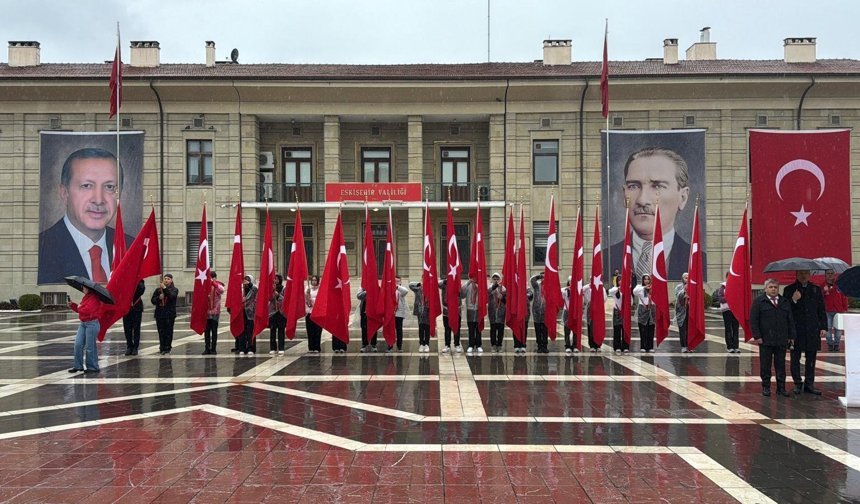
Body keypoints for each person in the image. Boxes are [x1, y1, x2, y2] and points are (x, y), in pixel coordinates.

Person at [608, 147, 705, 281]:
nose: (642, 200)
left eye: (657, 186)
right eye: (633, 186)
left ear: (683, 197)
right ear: (625, 194)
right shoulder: (605, 258)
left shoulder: (699, 260)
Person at [38, 148, 131, 284]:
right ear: (64, 193)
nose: (98, 200)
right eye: (87, 185)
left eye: (109, 187)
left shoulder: (132, 247)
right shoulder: (42, 248)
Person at [783, 269, 827, 395]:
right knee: (795, 357)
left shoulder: (815, 289)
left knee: (811, 358)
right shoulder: (789, 289)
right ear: (796, 274)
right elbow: (785, 309)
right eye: (801, 273)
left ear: (809, 275)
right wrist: (794, 300)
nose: (803, 276)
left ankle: (809, 383)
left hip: (812, 328)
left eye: (806, 273)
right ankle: (797, 383)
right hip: (796, 329)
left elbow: (821, 309)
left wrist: (823, 327)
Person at [750, 278, 795, 397]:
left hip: (781, 339)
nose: (773, 289)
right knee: (765, 365)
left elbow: (790, 319)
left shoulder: (784, 301)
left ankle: (781, 388)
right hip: (765, 339)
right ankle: (766, 387)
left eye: (775, 287)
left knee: (780, 365)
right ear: (765, 289)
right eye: (771, 287)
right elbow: (754, 320)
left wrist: (791, 336)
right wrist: (757, 336)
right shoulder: (759, 302)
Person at [68, 286, 105, 374]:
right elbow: (81, 309)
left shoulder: (94, 298)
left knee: (90, 346)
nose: (82, 289)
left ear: (89, 289)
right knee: (78, 344)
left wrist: (79, 307)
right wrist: (73, 305)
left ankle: (93, 367)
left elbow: (88, 310)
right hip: (83, 323)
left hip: (92, 324)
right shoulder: (86, 297)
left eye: (84, 288)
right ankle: (78, 366)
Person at [151, 274, 178, 355]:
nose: (166, 280)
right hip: (160, 314)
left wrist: (165, 288)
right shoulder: (158, 290)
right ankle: (162, 347)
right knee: (161, 331)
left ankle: (167, 347)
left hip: (169, 314)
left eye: (168, 279)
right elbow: (152, 300)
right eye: (165, 278)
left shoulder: (174, 289)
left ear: (171, 280)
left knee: (168, 332)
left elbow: (171, 296)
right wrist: (158, 298)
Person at [822, 269, 849, 352]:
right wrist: (824, 291)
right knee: (828, 328)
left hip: (839, 310)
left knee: (838, 329)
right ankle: (830, 344)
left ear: (834, 274)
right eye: (828, 273)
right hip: (827, 310)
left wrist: (845, 307)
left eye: (831, 273)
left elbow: (844, 296)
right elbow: (819, 298)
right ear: (825, 275)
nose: (830, 275)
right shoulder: (822, 285)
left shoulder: (839, 285)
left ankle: (836, 344)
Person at [439, 279, 465, 353]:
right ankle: (447, 345)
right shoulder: (444, 285)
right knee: (447, 329)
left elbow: (463, 295)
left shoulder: (459, 284)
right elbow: (438, 284)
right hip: (446, 311)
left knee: (457, 328)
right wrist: (445, 281)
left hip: (457, 311)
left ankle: (457, 345)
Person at [716, 275, 740, 354]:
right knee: (728, 328)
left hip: (736, 309)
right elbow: (720, 298)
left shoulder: (737, 286)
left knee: (735, 328)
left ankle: (736, 346)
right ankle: (730, 346)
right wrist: (729, 297)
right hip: (726, 310)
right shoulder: (723, 287)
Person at [204, 271, 225, 355]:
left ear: (215, 278)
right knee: (207, 331)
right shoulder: (205, 286)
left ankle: (213, 348)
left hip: (215, 312)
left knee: (214, 331)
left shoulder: (217, 285)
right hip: (206, 312)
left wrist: (213, 282)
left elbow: (222, 290)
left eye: (212, 277)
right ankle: (207, 348)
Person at [122, 280, 145, 356]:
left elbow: (141, 290)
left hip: (136, 308)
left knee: (136, 328)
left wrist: (134, 281)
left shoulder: (140, 280)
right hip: (126, 309)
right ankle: (129, 346)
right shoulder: (124, 280)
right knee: (127, 329)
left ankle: (135, 347)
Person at [633, 274, 656, 352]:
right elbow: (634, 292)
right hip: (643, 310)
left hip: (651, 309)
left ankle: (650, 346)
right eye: (645, 279)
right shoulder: (639, 287)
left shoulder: (653, 287)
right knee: (643, 329)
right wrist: (644, 287)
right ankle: (643, 346)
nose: (647, 281)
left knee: (651, 329)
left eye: (648, 279)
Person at [238, 274, 258, 356]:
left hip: (250, 313)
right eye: (245, 279)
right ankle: (242, 348)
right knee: (242, 331)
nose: (245, 281)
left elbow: (254, 290)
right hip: (241, 312)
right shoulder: (241, 289)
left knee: (250, 331)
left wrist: (249, 284)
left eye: (248, 280)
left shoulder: (253, 288)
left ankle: (251, 348)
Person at [409, 281, 431, 353]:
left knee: (427, 328)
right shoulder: (418, 289)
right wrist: (418, 283)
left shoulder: (430, 288)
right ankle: (421, 343)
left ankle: (427, 344)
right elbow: (410, 285)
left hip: (428, 310)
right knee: (421, 328)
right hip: (420, 310)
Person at [463, 276, 483, 354]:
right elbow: (462, 294)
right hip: (470, 309)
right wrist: (468, 282)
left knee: (478, 329)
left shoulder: (480, 284)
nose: (473, 278)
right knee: (471, 329)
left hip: (478, 309)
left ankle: (478, 345)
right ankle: (471, 345)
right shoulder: (467, 285)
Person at [530, 273, 549, 353]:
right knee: (538, 329)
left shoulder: (549, 286)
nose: (543, 278)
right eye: (542, 277)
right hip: (536, 311)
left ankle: (545, 345)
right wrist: (538, 276)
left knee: (545, 330)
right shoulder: (537, 286)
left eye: (545, 277)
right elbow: (532, 280)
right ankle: (539, 346)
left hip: (546, 311)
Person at [608, 283, 629, 353]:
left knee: (625, 329)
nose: (621, 282)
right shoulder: (615, 290)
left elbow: (631, 301)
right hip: (617, 311)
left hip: (625, 311)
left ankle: (625, 346)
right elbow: (609, 291)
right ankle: (617, 347)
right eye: (619, 280)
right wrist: (618, 288)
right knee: (617, 329)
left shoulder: (627, 290)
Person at [268, 274, 286, 355]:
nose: (276, 280)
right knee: (272, 330)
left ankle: (281, 348)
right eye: (274, 279)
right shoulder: (270, 288)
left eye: (277, 279)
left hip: (281, 312)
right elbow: (268, 298)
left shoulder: (284, 288)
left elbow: (285, 299)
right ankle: (273, 348)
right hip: (272, 312)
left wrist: (278, 295)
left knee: (281, 330)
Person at [488, 273, 506, 353]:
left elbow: (506, 300)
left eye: (497, 279)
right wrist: (495, 286)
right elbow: (488, 292)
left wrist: (502, 298)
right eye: (494, 279)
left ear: (500, 279)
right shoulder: (490, 287)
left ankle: (499, 345)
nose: (496, 280)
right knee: (493, 329)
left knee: (501, 329)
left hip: (501, 312)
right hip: (492, 311)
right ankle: (493, 345)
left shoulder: (503, 288)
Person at [357, 288, 378, 352]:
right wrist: (366, 291)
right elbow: (358, 296)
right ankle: (364, 344)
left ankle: (373, 344)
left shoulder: (375, 285)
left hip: (373, 309)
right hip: (364, 308)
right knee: (364, 327)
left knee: (374, 327)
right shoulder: (362, 287)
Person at [306, 275, 324, 353]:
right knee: (310, 331)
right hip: (309, 312)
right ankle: (311, 347)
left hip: (318, 313)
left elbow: (321, 300)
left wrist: (313, 300)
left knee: (317, 331)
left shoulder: (320, 290)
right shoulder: (307, 289)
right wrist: (307, 295)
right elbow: (306, 301)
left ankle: (317, 347)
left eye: (315, 280)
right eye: (312, 280)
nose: (313, 282)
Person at [561, 277, 578, 354]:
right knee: (567, 329)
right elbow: (559, 294)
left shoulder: (578, 290)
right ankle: (567, 346)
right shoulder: (564, 290)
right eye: (570, 281)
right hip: (567, 311)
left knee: (575, 330)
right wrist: (568, 289)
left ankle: (575, 345)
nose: (571, 283)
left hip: (575, 311)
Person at [394, 276, 410, 352]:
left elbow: (406, 291)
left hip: (399, 313)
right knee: (390, 330)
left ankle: (399, 346)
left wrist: (397, 286)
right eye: (395, 281)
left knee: (399, 330)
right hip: (391, 313)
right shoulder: (389, 289)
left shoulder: (401, 290)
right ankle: (390, 346)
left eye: (398, 281)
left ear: (400, 282)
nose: (396, 282)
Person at [675, 272, 690, 353]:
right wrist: (684, 290)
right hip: (681, 311)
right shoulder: (679, 287)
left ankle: (689, 345)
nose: (687, 279)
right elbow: (678, 296)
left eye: (688, 277)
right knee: (682, 329)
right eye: (685, 277)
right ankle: (683, 346)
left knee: (689, 329)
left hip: (689, 311)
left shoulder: (692, 286)